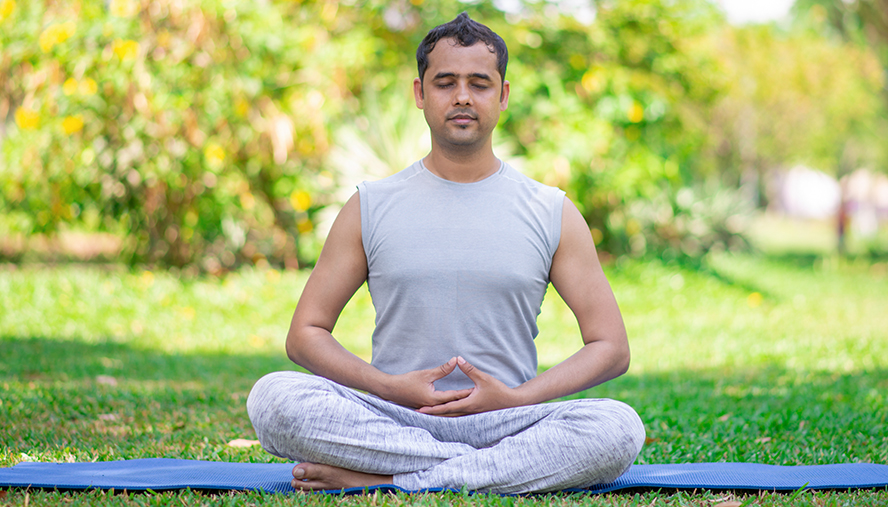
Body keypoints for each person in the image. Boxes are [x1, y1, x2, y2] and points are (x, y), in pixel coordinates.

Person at [247, 12, 645, 494]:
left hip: (509, 421)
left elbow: (611, 347)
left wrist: (516, 399)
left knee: (618, 426)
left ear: (503, 96)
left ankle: (391, 479)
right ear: (420, 94)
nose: (462, 96)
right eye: (445, 82)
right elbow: (304, 335)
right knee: (273, 398)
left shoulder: (550, 210)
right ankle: (481, 472)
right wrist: (389, 387)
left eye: (479, 83)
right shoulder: (370, 205)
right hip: (395, 418)